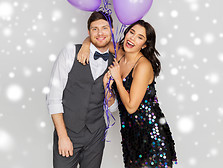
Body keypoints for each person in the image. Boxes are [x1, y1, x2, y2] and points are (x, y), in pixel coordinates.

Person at [79, 20, 177, 167]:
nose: (132, 38)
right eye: (131, 32)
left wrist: (118, 79)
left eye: (140, 37)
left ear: (144, 45)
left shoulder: (143, 65)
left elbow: (131, 107)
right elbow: (98, 39)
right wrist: (85, 46)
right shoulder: (119, 53)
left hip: (151, 136)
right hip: (131, 135)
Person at [46, 11, 118, 168]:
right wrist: (62, 136)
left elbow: (113, 108)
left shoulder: (116, 62)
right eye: (94, 29)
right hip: (68, 132)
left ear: (112, 30)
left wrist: (107, 89)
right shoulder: (70, 53)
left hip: (96, 135)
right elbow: (53, 97)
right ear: (88, 32)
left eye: (105, 28)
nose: (100, 33)